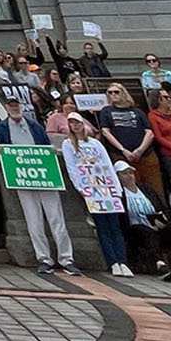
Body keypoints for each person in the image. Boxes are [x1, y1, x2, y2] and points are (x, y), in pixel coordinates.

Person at [0, 98, 74, 275]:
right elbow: (1, 145)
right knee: (33, 220)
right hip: (22, 176)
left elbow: (45, 143)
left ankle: (66, 258)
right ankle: (44, 258)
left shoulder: (34, 125)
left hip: (44, 174)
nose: (14, 108)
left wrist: (51, 151)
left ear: (21, 107)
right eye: (11, 106)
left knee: (56, 217)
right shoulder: (2, 127)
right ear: (7, 108)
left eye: (16, 105)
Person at [60, 115, 128, 277]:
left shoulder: (95, 143)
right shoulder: (68, 144)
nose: (75, 126)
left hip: (106, 187)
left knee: (115, 226)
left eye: (77, 122)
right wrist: (81, 187)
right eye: (72, 123)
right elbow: (72, 168)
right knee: (102, 227)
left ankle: (123, 261)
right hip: (90, 188)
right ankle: (112, 262)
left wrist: (117, 188)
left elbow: (107, 165)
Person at [96, 84, 159, 193]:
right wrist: (123, 150)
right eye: (110, 93)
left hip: (146, 153)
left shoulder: (138, 111)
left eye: (116, 92)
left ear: (124, 93)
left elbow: (149, 132)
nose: (113, 95)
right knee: (130, 186)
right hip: (120, 154)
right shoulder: (106, 111)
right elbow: (106, 132)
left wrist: (140, 150)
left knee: (155, 186)